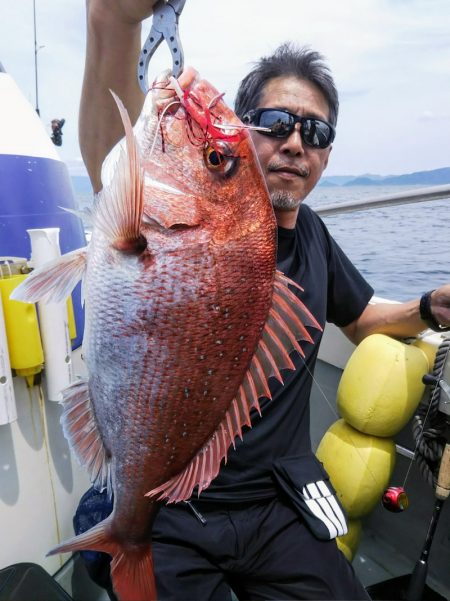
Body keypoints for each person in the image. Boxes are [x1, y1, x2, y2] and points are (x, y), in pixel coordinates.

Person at [77, 2, 450, 599]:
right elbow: (107, 161)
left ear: (327, 154)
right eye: (277, 121)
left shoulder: (315, 238)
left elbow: (359, 319)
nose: (296, 143)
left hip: (278, 500)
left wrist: (429, 306)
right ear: (243, 130)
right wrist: (114, 24)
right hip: (168, 502)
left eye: (316, 132)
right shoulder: (168, 210)